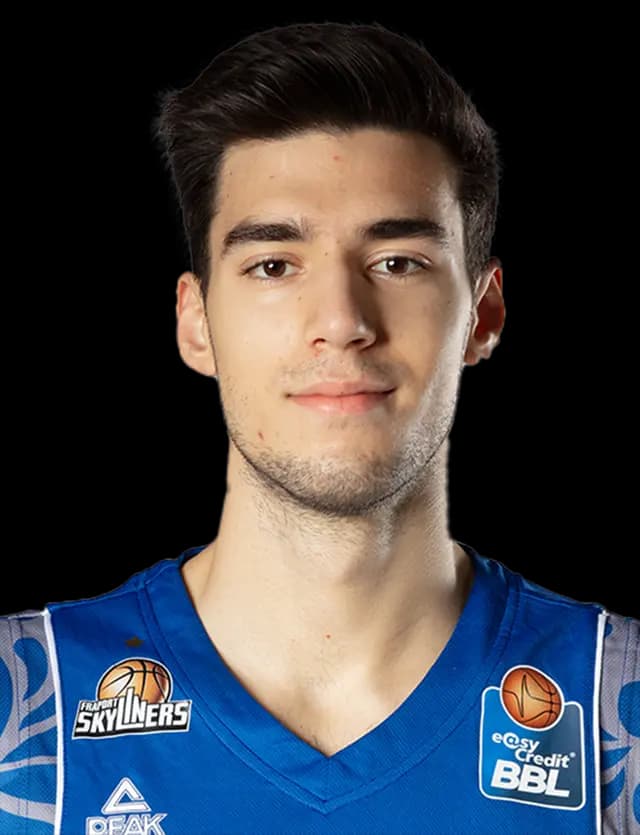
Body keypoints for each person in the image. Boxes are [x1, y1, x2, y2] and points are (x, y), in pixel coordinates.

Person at [1, 19, 637, 835]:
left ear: (483, 314)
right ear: (196, 324)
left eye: (397, 262)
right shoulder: (26, 711)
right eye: (273, 265)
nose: (340, 320)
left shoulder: (616, 710)